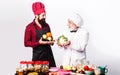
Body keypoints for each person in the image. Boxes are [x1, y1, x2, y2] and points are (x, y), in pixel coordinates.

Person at [24, 2, 56, 67]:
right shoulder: (30, 27)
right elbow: (26, 43)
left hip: (49, 57)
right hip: (37, 58)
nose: (45, 17)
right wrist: (38, 43)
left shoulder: (47, 25)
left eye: (45, 15)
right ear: (36, 15)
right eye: (43, 15)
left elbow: (50, 38)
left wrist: (51, 42)